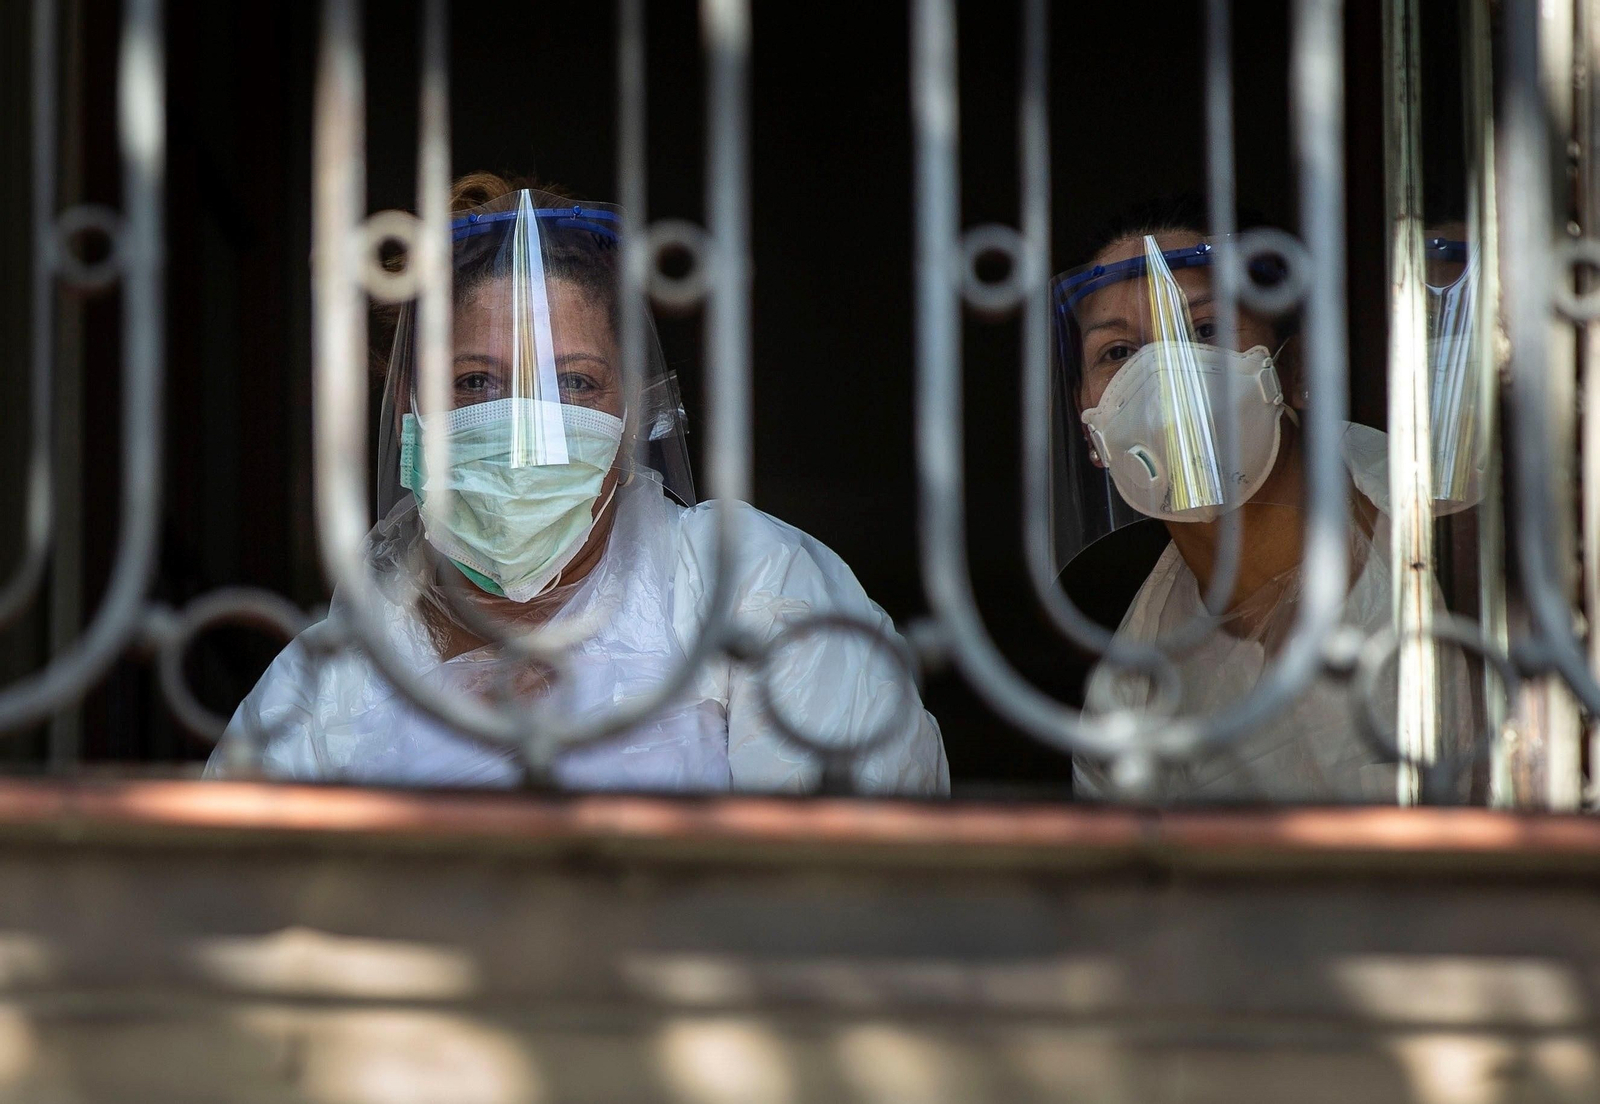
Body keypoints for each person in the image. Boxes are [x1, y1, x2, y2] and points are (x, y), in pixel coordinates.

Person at [209, 173, 948, 794]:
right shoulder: (325, 685)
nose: (528, 434)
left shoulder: (748, 583)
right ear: (411, 408)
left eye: (573, 383)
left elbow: (838, 881)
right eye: (476, 381)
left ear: (631, 412)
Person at [1050, 196, 1480, 802]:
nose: (1164, 379)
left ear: (1294, 366)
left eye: (1204, 331)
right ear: (1088, 422)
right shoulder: (1131, 699)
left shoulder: (1450, 535)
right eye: (1118, 353)